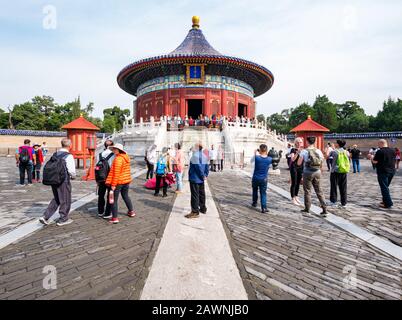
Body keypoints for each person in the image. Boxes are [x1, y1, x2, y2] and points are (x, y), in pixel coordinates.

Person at [39, 138, 76, 226]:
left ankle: (45, 216)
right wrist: (73, 176)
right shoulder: (68, 155)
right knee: (65, 199)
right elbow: (71, 171)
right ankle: (63, 218)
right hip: (63, 180)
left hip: (54, 179)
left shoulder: (55, 154)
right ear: (70, 146)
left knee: (57, 198)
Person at [297, 136, 327, 217]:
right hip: (317, 172)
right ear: (314, 142)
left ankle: (307, 208)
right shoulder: (318, 151)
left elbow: (299, 163)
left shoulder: (304, 151)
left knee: (307, 191)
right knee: (319, 190)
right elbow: (322, 161)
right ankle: (324, 209)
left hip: (307, 172)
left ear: (307, 142)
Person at [105, 143, 135, 224]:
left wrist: (113, 185)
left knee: (113, 200)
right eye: (113, 149)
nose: (113, 150)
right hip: (126, 181)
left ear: (119, 150)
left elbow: (116, 173)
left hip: (118, 182)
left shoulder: (118, 159)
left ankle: (114, 218)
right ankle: (131, 211)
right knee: (125, 196)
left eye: (115, 149)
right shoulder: (126, 157)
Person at [369, 139, 396, 209]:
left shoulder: (380, 151)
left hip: (383, 171)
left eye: (378, 144)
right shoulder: (393, 150)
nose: (378, 145)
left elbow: (375, 162)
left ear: (381, 143)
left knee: (384, 188)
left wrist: (371, 157)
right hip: (392, 171)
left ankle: (388, 203)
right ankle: (385, 200)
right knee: (386, 187)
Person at [186, 143, 209, 219]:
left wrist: (202, 175)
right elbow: (207, 166)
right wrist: (205, 175)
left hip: (195, 178)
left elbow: (198, 167)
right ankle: (203, 208)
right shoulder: (204, 155)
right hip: (201, 179)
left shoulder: (195, 156)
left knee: (195, 195)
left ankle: (195, 212)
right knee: (202, 194)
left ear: (196, 148)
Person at [251, 144, 273, 214]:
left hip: (255, 177)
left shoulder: (257, 158)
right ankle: (263, 207)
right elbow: (270, 166)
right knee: (263, 193)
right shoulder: (270, 159)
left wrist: (255, 152)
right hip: (264, 178)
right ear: (266, 150)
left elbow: (251, 161)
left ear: (260, 150)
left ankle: (254, 203)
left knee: (255, 190)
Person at [96, 140, 115, 218]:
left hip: (101, 178)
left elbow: (96, 168)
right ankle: (107, 213)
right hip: (110, 178)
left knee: (101, 195)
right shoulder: (113, 155)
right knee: (110, 195)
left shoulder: (99, 155)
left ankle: (100, 211)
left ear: (104, 145)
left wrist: (97, 180)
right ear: (112, 146)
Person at [329, 140, 350, 208]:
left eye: (336, 143)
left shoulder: (334, 152)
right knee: (343, 187)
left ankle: (333, 201)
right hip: (344, 170)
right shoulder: (346, 152)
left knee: (334, 186)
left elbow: (328, 157)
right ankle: (344, 202)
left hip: (335, 171)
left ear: (338, 144)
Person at [289, 138, 304, 206]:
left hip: (300, 168)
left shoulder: (303, 150)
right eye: (298, 142)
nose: (299, 143)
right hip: (294, 167)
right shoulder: (293, 150)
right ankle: (293, 198)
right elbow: (292, 159)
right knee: (294, 183)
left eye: (300, 142)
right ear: (295, 143)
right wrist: (297, 153)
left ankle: (296, 196)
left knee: (298, 182)